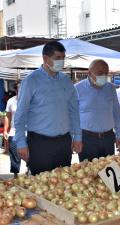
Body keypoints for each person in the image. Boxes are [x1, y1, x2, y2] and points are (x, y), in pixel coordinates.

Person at [14, 41, 82, 175]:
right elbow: (21, 114)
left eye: (63, 58)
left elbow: (73, 110)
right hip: (40, 143)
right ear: (45, 58)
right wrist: (21, 142)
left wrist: (78, 136)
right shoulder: (31, 81)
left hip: (64, 142)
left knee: (63, 183)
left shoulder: (66, 81)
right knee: (41, 183)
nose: (61, 62)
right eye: (57, 58)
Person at [75, 59, 120, 161]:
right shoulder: (77, 89)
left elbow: (116, 112)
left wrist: (119, 134)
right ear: (89, 73)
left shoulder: (110, 88)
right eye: (100, 73)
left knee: (108, 172)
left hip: (108, 138)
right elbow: (72, 116)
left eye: (106, 73)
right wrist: (75, 138)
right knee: (88, 174)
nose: (104, 76)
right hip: (87, 139)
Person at [4, 83, 20, 178]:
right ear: (15, 90)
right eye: (18, 89)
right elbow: (7, 117)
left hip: (29, 132)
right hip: (14, 132)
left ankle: (29, 172)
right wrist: (5, 130)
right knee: (14, 154)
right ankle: (15, 175)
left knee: (31, 154)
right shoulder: (11, 101)